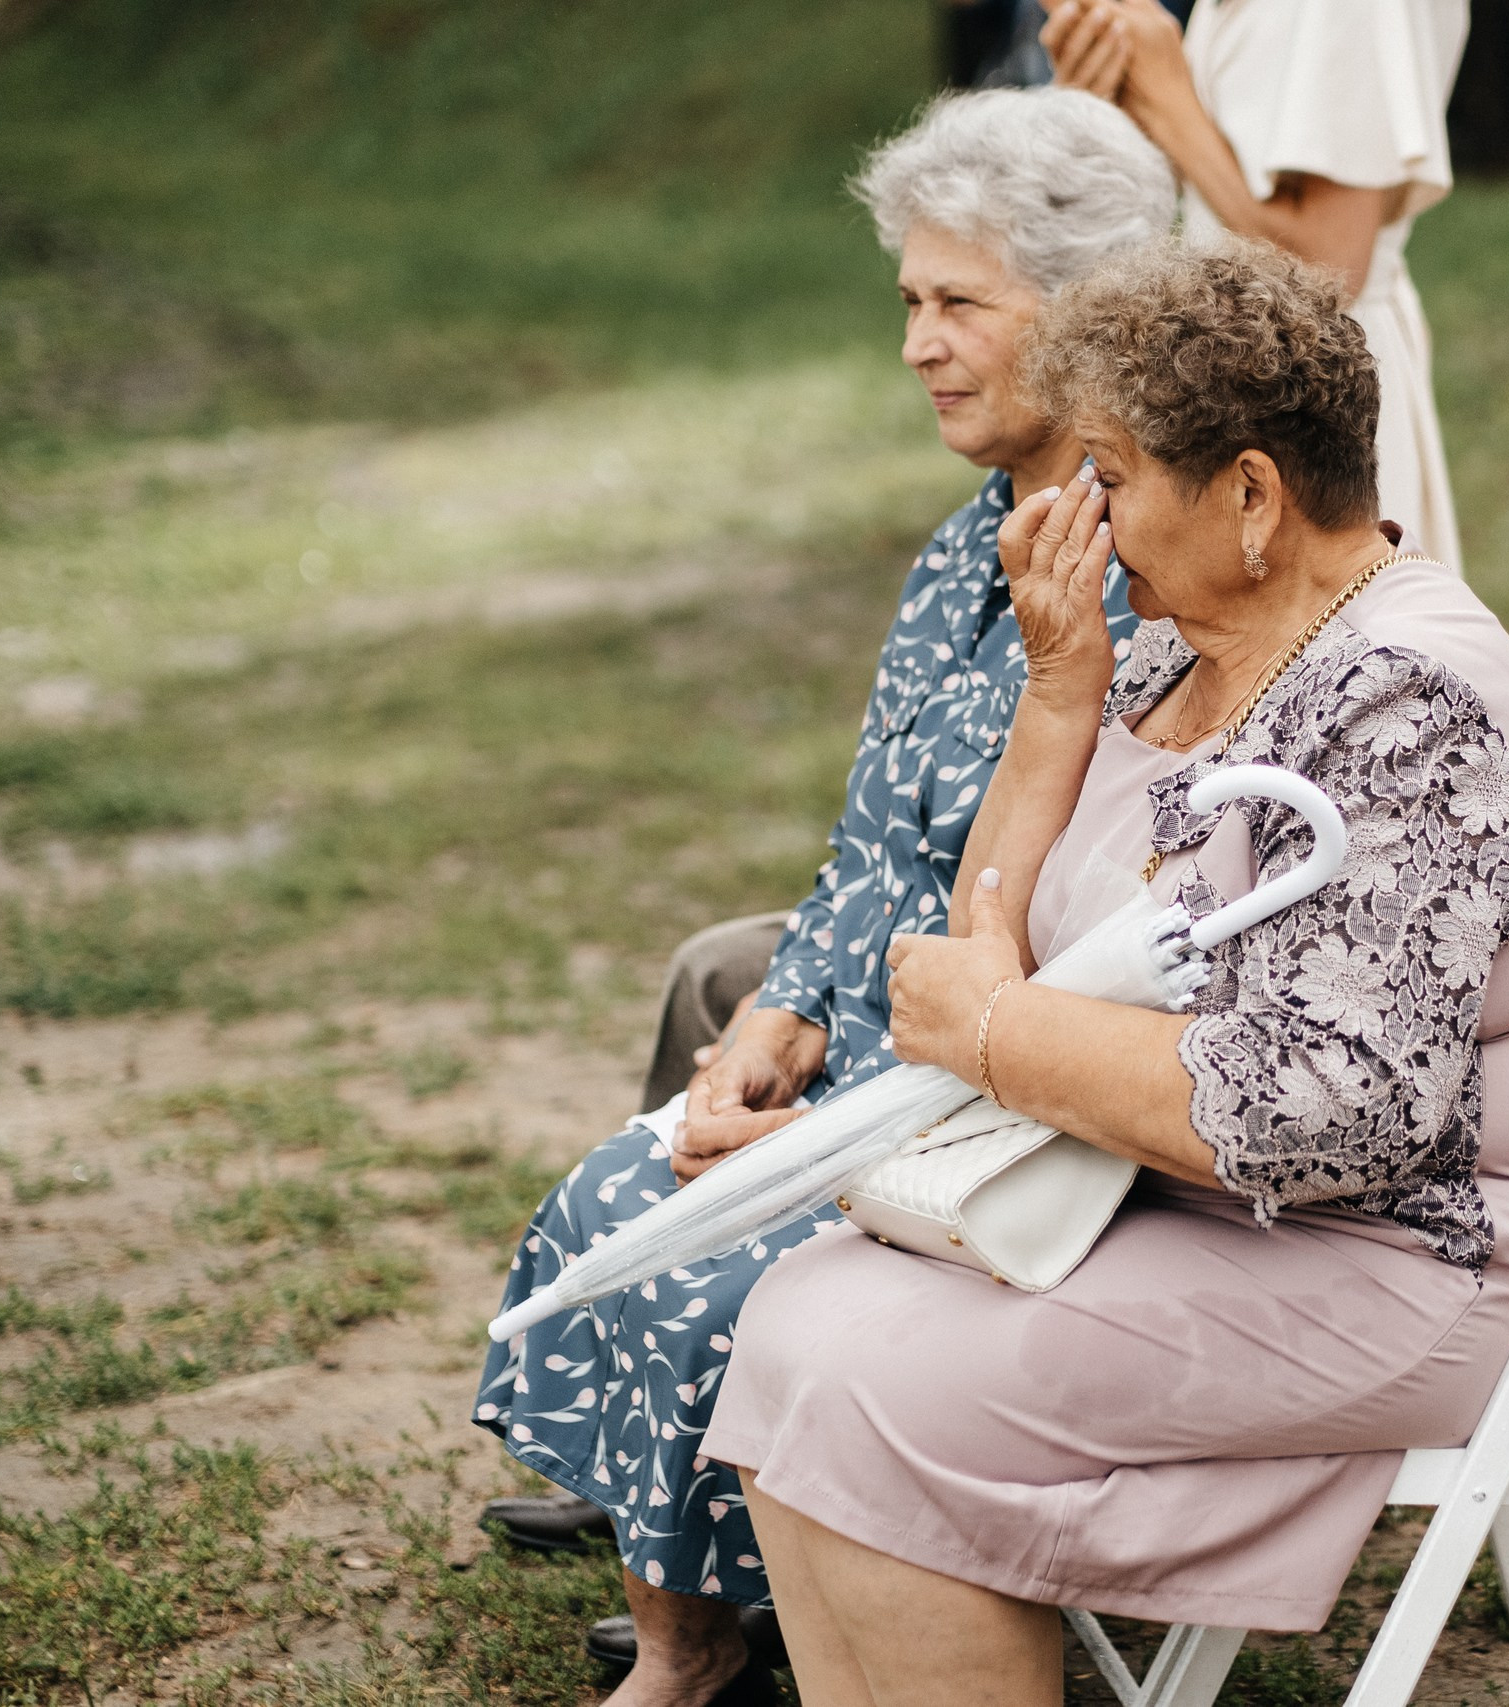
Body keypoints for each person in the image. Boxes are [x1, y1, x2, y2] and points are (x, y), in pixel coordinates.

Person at [699, 239, 1509, 1690]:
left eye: (1113, 475)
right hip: (1204, 1198)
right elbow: (988, 934)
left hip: (1419, 1243)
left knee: (885, 1380)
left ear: (1252, 495)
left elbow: (1331, 1113)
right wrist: (1062, 688)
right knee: (793, 1318)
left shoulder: (1409, 699)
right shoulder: (1172, 657)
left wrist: (997, 1035)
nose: (1083, 514)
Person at [469, 87, 1169, 1707]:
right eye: (908, 303)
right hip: (886, 1029)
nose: (916, 344)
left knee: (703, 1244)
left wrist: (843, 1128)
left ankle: (719, 1618)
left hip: (1003, 1088)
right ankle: (704, 1594)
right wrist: (788, 1004)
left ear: (1083, 318)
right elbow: (880, 828)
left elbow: (1066, 954)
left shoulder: (1151, 567)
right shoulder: (967, 542)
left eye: (956, 306)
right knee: (630, 1185)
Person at [1039, 0, 1472, 572]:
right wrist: (1102, 93)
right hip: (1231, 370)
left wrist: (1166, 97)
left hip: (1310, 391)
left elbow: (1327, 266)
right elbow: (1207, 183)